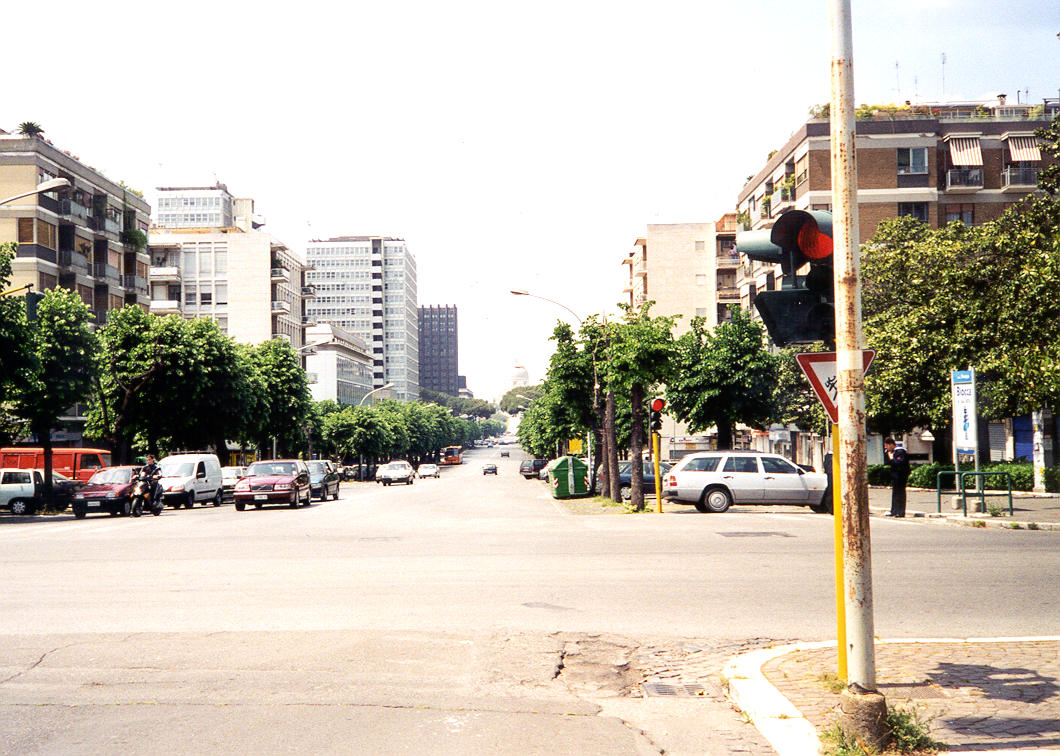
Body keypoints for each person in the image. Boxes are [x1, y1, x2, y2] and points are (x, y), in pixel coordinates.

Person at [883, 437, 910, 517]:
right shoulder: (894, 452)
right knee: (895, 493)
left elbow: (899, 462)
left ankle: (900, 512)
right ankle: (894, 511)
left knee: (900, 493)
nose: (886, 448)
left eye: (886, 446)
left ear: (891, 444)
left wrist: (892, 458)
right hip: (895, 475)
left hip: (901, 475)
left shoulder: (900, 451)